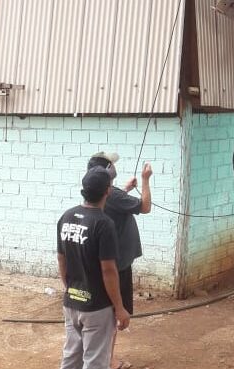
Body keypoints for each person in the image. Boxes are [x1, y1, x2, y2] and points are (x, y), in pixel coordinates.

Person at [57, 166, 130, 369]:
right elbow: (108, 270)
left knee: (71, 357)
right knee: (96, 361)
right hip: (96, 308)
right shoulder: (104, 224)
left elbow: (61, 260)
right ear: (108, 191)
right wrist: (119, 307)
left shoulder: (67, 217)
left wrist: (70, 287)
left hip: (71, 302)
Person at [86, 152, 152, 369]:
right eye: (111, 164)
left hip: (115, 261)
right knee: (114, 315)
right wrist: (145, 180)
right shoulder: (113, 195)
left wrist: (125, 190)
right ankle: (109, 360)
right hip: (118, 264)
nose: (114, 166)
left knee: (106, 316)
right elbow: (145, 207)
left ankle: (104, 358)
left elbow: (112, 201)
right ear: (107, 172)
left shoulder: (105, 195)